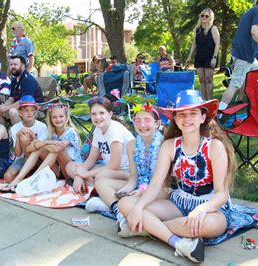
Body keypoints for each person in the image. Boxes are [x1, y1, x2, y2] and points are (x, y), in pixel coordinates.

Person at [118, 90, 236, 263]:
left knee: (206, 225)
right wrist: (138, 207)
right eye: (181, 114)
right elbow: (156, 183)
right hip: (179, 202)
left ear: (203, 117)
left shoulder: (215, 147)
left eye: (193, 113)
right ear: (175, 118)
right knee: (126, 203)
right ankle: (178, 242)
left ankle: (142, 229)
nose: (186, 119)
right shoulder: (169, 146)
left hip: (211, 207)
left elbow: (221, 194)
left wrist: (202, 209)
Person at [93, 103, 165, 232]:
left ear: (157, 123)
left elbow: (164, 182)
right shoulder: (132, 145)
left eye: (147, 120)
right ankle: (118, 211)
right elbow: (133, 178)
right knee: (101, 183)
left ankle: (115, 205)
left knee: (128, 201)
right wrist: (125, 190)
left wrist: (142, 191)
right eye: (138, 121)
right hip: (140, 185)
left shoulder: (165, 144)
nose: (142, 125)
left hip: (160, 189)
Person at [66, 96, 135, 195]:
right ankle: (94, 188)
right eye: (94, 114)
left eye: (102, 113)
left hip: (125, 172)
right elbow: (91, 159)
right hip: (108, 168)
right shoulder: (98, 130)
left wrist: (86, 174)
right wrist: (79, 175)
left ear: (110, 114)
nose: (97, 117)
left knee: (101, 175)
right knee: (70, 166)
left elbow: (114, 165)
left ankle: (93, 187)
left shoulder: (114, 130)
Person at [219, 0, 258, 113]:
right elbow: (254, 32)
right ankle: (218, 113)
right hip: (245, 56)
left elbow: (242, 34)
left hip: (246, 56)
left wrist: (234, 58)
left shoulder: (250, 11)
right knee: (235, 84)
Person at [0, 95, 48, 193]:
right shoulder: (14, 128)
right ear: (20, 113)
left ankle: (27, 172)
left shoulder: (42, 127)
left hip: (38, 158)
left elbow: (40, 148)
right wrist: (18, 138)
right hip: (22, 158)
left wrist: (32, 136)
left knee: (25, 137)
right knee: (8, 177)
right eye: (26, 110)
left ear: (36, 112)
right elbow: (17, 154)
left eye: (32, 110)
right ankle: (28, 173)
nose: (30, 113)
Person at [0, 55, 44, 126]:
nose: (12, 67)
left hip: (34, 108)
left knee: (13, 112)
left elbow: (24, 101)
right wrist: (3, 107)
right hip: (21, 106)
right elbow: (11, 99)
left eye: (15, 64)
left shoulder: (28, 80)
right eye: (11, 64)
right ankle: (4, 134)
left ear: (22, 66)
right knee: (0, 111)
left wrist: (6, 108)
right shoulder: (14, 80)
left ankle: (21, 135)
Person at [186, 8, 220, 100]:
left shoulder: (213, 28)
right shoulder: (197, 29)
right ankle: (204, 101)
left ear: (210, 18)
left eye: (206, 16)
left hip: (210, 56)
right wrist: (189, 56)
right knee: (201, 79)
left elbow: (217, 43)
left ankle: (210, 100)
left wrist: (214, 57)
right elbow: (194, 44)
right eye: (202, 15)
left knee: (209, 79)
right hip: (199, 56)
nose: (204, 17)